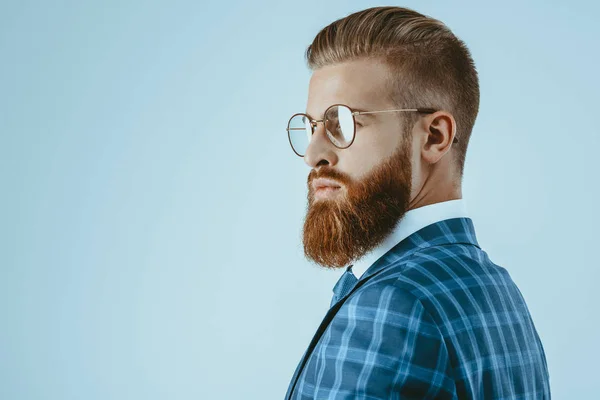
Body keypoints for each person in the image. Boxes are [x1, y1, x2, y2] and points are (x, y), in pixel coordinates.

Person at [284, 6, 551, 399]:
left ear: (434, 137)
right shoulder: (500, 291)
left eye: (342, 122)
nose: (313, 154)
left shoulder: (391, 305)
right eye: (311, 126)